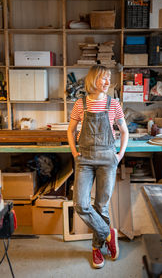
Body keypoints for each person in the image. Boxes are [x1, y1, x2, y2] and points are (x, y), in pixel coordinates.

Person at [67, 65, 129, 269]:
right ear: (94, 80)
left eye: (109, 78)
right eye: (104, 78)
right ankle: (107, 233)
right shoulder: (80, 103)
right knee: (81, 204)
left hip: (107, 159)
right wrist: (75, 153)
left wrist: (119, 155)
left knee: (101, 205)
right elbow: (71, 130)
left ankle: (96, 249)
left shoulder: (114, 104)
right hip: (84, 159)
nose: (108, 82)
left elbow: (124, 131)